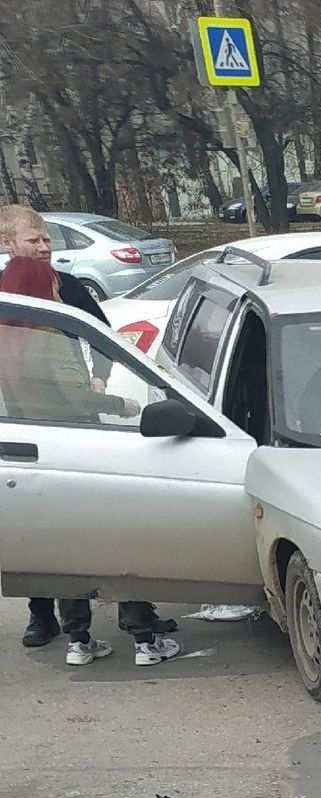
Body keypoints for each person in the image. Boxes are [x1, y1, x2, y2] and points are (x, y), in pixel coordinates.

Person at [0, 204, 175, 650]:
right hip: (29, 424)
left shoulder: (71, 288)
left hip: (77, 417)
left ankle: (124, 619)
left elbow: (104, 337)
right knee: (48, 526)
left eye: (46, 239)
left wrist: (97, 374)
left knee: (89, 520)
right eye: (32, 241)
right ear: (8, 244)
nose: (43, 248)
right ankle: (46, 615)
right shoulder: (9, 294)